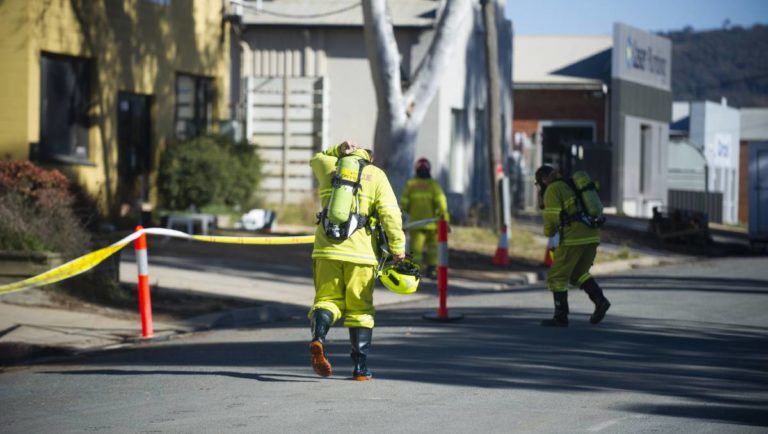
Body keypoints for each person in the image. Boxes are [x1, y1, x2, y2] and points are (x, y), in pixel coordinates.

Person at [308, 140, 406, 381]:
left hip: (326, 250)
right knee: (360, 309)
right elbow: (391, 214)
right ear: (369, 159)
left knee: (326, 300)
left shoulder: (329, 167)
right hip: (361, 254)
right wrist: (398, 248)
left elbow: (316, 157)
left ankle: (319, 338)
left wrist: (337, 150)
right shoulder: (376, 175)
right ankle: (360, 367)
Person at [535, 164, 611, 327]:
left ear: (543, 179)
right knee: (578, 273)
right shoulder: (569, 184)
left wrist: (548, 231)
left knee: (557, 276)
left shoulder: (552, 190)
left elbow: (551, 220)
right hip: (592, 236)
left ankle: (560, 316)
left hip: (573, 238)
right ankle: (600, 301)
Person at [399, 158, 449, 278]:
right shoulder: (434, 185)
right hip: (433, 224)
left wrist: (404, 215)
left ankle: (416, 272)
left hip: (416, 223)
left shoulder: (411, 184)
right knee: (433, 249)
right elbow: (442, 204)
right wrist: (444, 220)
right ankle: (432, 271)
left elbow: (404, 204)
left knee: (416, 251)